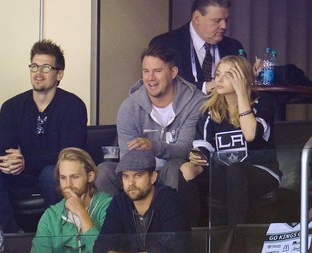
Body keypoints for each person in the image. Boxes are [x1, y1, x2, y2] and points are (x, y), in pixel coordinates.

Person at [0, 39, 88, 233]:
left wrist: (26, 161)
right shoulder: (11, 107)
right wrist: (13, 162)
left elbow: (69, 156)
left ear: (59, 73)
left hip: (54, 177)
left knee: (50, 172)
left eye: (45, 67)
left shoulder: (73, 106)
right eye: (34, 66)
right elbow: (4, 154)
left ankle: (60, 235)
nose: (38, 73)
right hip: (20, 177)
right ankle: (11, 236)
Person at [178, 55, 282, 227]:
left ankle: (234, 238)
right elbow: (204, 146)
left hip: (261, 172)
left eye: (228, 75)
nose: (219, 79)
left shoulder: (263, 103)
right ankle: (193, 237)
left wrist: (242, 93)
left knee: (235, 170)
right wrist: (196, 157)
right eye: (218, 74)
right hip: (224, 174)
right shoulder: (210, 111)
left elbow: (250, 135)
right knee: (187, 171)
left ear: (243, 79)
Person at [96, 44, 204, 195]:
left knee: (175, 167)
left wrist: (152, 146)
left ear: (173, 72)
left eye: (157, 71)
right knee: (104, 171)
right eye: (146, 71)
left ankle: (168, 218)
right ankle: (113, 218)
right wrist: (146, 176)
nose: (150, 78)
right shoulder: (129, 107)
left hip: (173, 170)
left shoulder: (195, 102)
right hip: (139, 173)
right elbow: (128, 158)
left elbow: (185, 150)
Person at [0, 147, 112, 253]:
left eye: (75, 177)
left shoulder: (108, 205)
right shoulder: (51, 214)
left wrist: (81, 212)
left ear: (90, 176)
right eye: (63, 178)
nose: (68, 185)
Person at [93, 149, 191, 253]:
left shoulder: (169, 199)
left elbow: (176, 246)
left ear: (153, 177)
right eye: (126, 177)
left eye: (138, 176)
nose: (131, 183)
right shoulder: (119, 203)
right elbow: (100, 249)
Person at [149, 0, 248, 94]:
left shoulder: (234, 47)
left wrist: (254, 75)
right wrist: (205, 87)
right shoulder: (165, 44)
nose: (224, 26)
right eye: (217, 21)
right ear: (197, 18)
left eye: (226, 20)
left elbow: (243, 86)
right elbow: (159, 85)